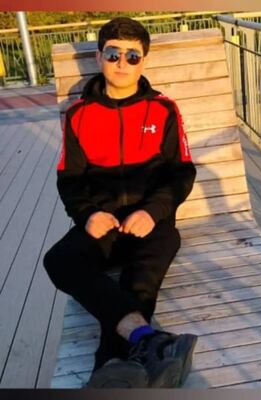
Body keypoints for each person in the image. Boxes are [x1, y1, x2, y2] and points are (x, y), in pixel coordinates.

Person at [44, 17, 197, 388]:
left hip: (151, 225)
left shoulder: (163, 110)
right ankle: (152, 342)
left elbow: (182, 173)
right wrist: (88, 215)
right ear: (99, 57)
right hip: (105, 224)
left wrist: (152, 212)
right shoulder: (79, 115)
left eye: (133, 55)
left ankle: (109, 365)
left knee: (140, 282)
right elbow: (69, 180)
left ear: (143, 61)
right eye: (113, 54)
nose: (122, 63)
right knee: (58, 260)